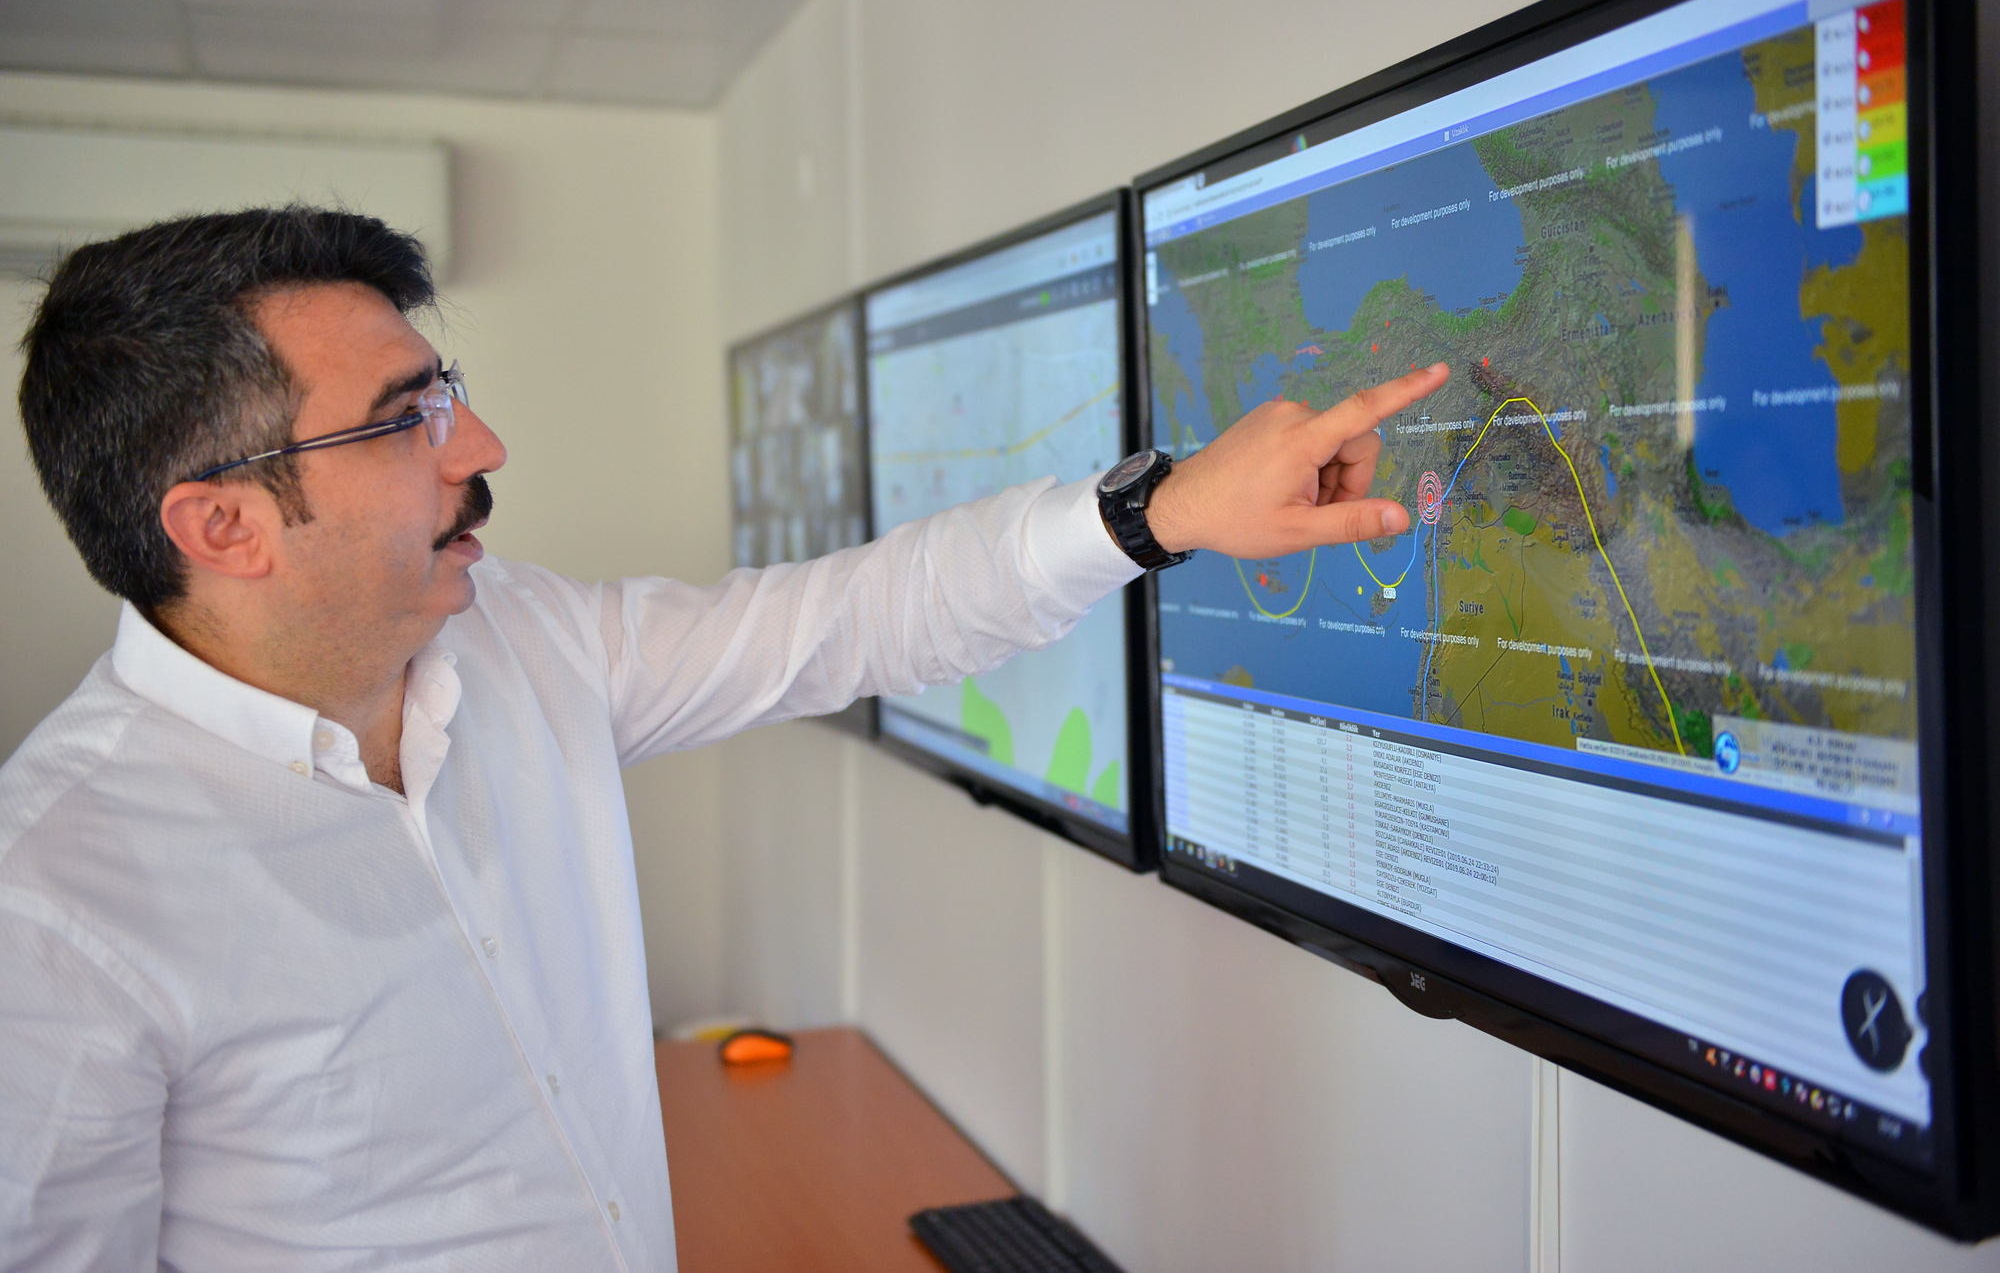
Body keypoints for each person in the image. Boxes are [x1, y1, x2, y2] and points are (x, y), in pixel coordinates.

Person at [0, 207, 1446, 1270]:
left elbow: (851, 620)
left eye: (446, 392)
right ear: (223, 524)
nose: (480, 447)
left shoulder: (520, 642)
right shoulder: (59, 902)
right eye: (404, 421)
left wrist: (1162, 513)